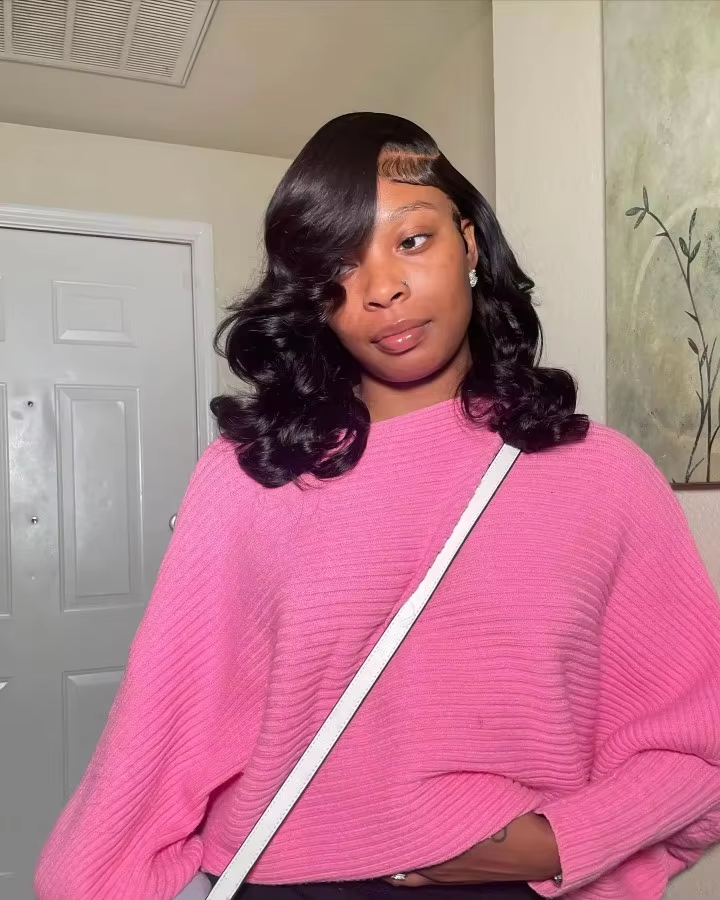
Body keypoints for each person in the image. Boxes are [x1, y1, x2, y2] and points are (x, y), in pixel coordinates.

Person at [35, 113, 720, 900]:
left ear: (469, 243)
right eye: (339, 264)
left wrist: (559, 842)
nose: (381, 288)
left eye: (412, 240)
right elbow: (165, 727)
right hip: (288, 884)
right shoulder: (253, 473)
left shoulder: (602, 475)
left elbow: (698, 741)